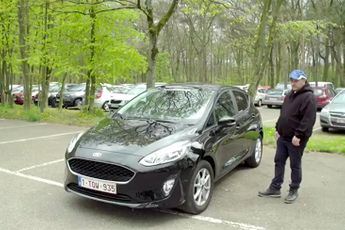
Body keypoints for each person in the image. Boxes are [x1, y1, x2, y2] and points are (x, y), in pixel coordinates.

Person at [258, 69, 317, 204]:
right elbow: (284, 113)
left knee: (295, 165)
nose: (293, 83)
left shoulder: (308, 97)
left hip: (296, 139)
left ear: (304, 80)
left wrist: (299, 135)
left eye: (296, 80)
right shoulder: (290, 95)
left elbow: (308, 120)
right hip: (283, 137)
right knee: (279, 161)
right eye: (291, 80)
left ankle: (293, 190)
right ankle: (275, 188)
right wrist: (277, 129)